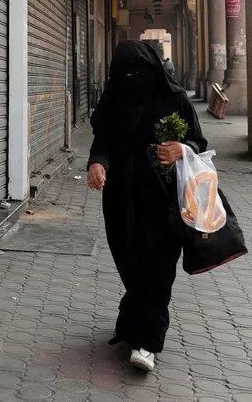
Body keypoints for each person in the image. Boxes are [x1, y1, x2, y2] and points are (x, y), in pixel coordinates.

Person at [87, 40, 207, 372]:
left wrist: (181, 150)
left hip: (164, 202)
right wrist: (97, 163)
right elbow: (103, 139)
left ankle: (147, 342)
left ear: (151, 69)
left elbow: (199, 141)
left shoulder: (175, 99)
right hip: (121, 201)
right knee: (131, 263)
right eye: (124, 72)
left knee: (157, 269)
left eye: (137, 71)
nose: (131, 78)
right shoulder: (114, 100)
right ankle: (132, 323)